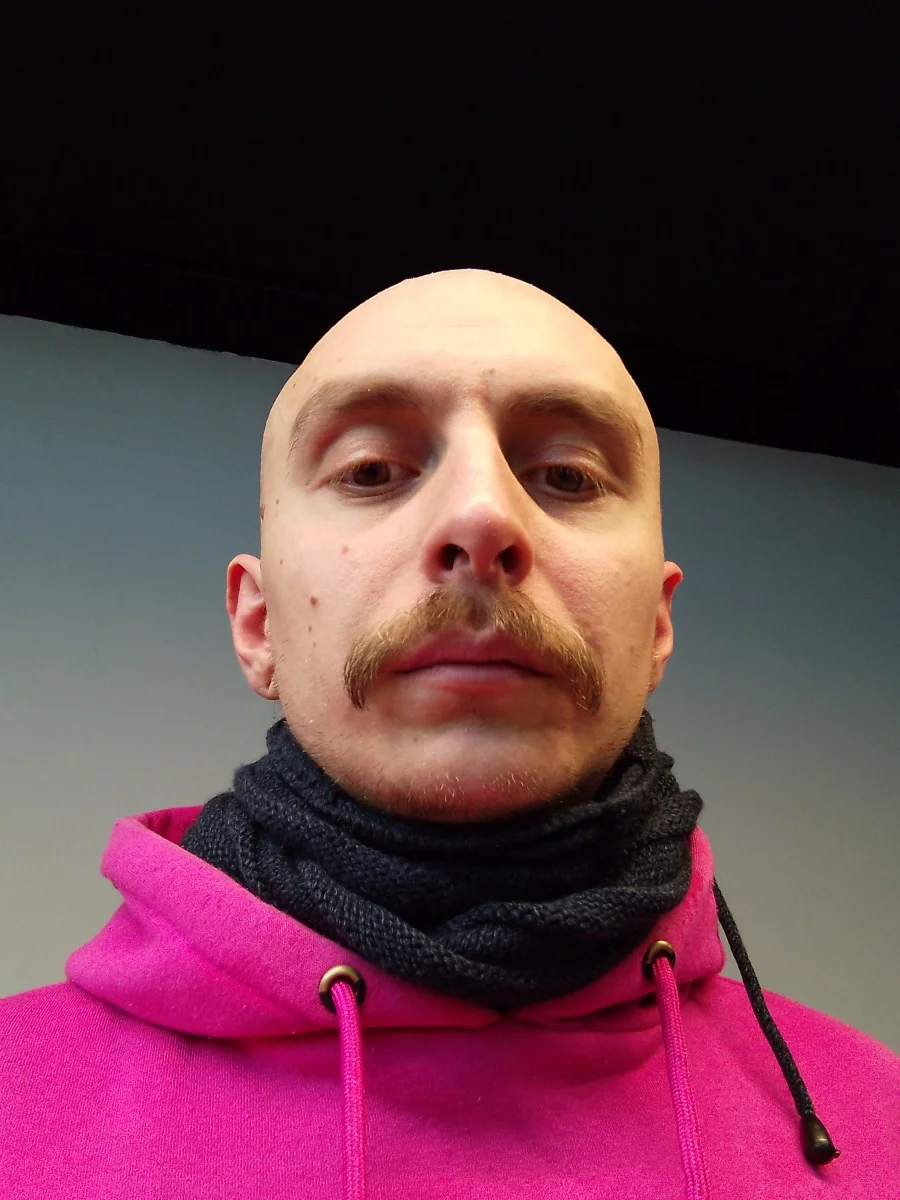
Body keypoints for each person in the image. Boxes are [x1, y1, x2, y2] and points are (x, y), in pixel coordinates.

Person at [1, 268, 896, 1199]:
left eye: (567, 476)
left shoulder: (880, 1122)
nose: (482, 517)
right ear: (259, 624)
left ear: (657, 626)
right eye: (371, 470)